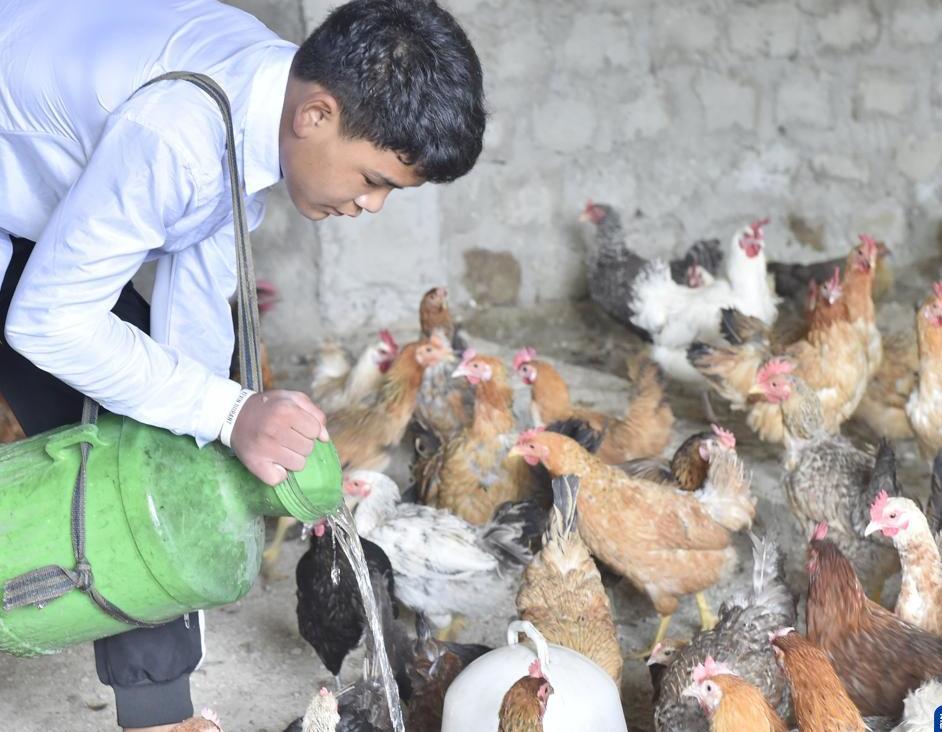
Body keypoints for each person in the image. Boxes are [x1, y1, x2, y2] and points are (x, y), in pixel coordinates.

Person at [0, 0, 486, 728]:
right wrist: (228, 412)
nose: (373, 205)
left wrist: (214, 431)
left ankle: (159, 711)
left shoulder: (262, 92)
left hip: (30, 200)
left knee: (148, 443)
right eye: (373, 179)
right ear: (317, 116)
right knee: (114, 451)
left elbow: (194, 302)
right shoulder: (178, 133)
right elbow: (48, 322)